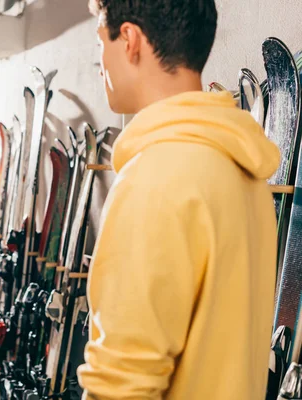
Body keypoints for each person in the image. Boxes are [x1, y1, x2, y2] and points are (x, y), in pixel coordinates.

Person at [77, 1, 280, 399]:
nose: (99, 63)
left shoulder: (154, 179)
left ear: (130, 40)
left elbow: (122, 384)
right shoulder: (245, 171)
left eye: (100, 41)